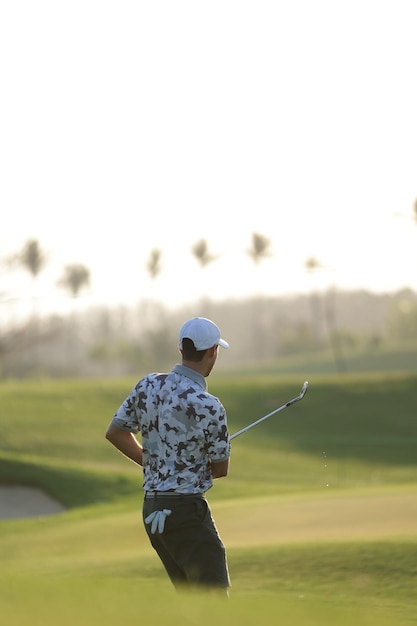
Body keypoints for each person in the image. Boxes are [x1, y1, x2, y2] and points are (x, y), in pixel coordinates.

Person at [105, 316, 231, 594]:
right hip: (185, 511)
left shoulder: (146, 386)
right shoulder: (208, 405)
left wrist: (152, 463)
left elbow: (115, 432)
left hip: (152, 509)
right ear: (212, 352)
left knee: (190, 602)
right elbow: (220, 469)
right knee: (213, 601)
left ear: (181, 349)